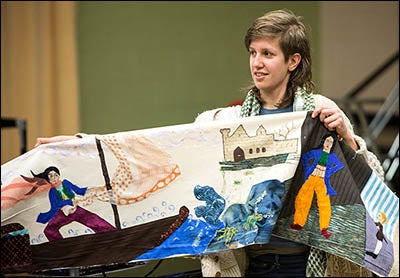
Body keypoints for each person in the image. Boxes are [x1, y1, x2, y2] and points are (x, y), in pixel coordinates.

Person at [34, 9, 395, 277]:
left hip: (305, 264)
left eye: (267, 54)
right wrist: (80, 148)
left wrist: (348, 137)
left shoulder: (319, 114)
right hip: (249, 264)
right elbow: (157, 148)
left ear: (293, 61)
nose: (256, 63)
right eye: (253, 53)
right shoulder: (223, 123)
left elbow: (371, 186)